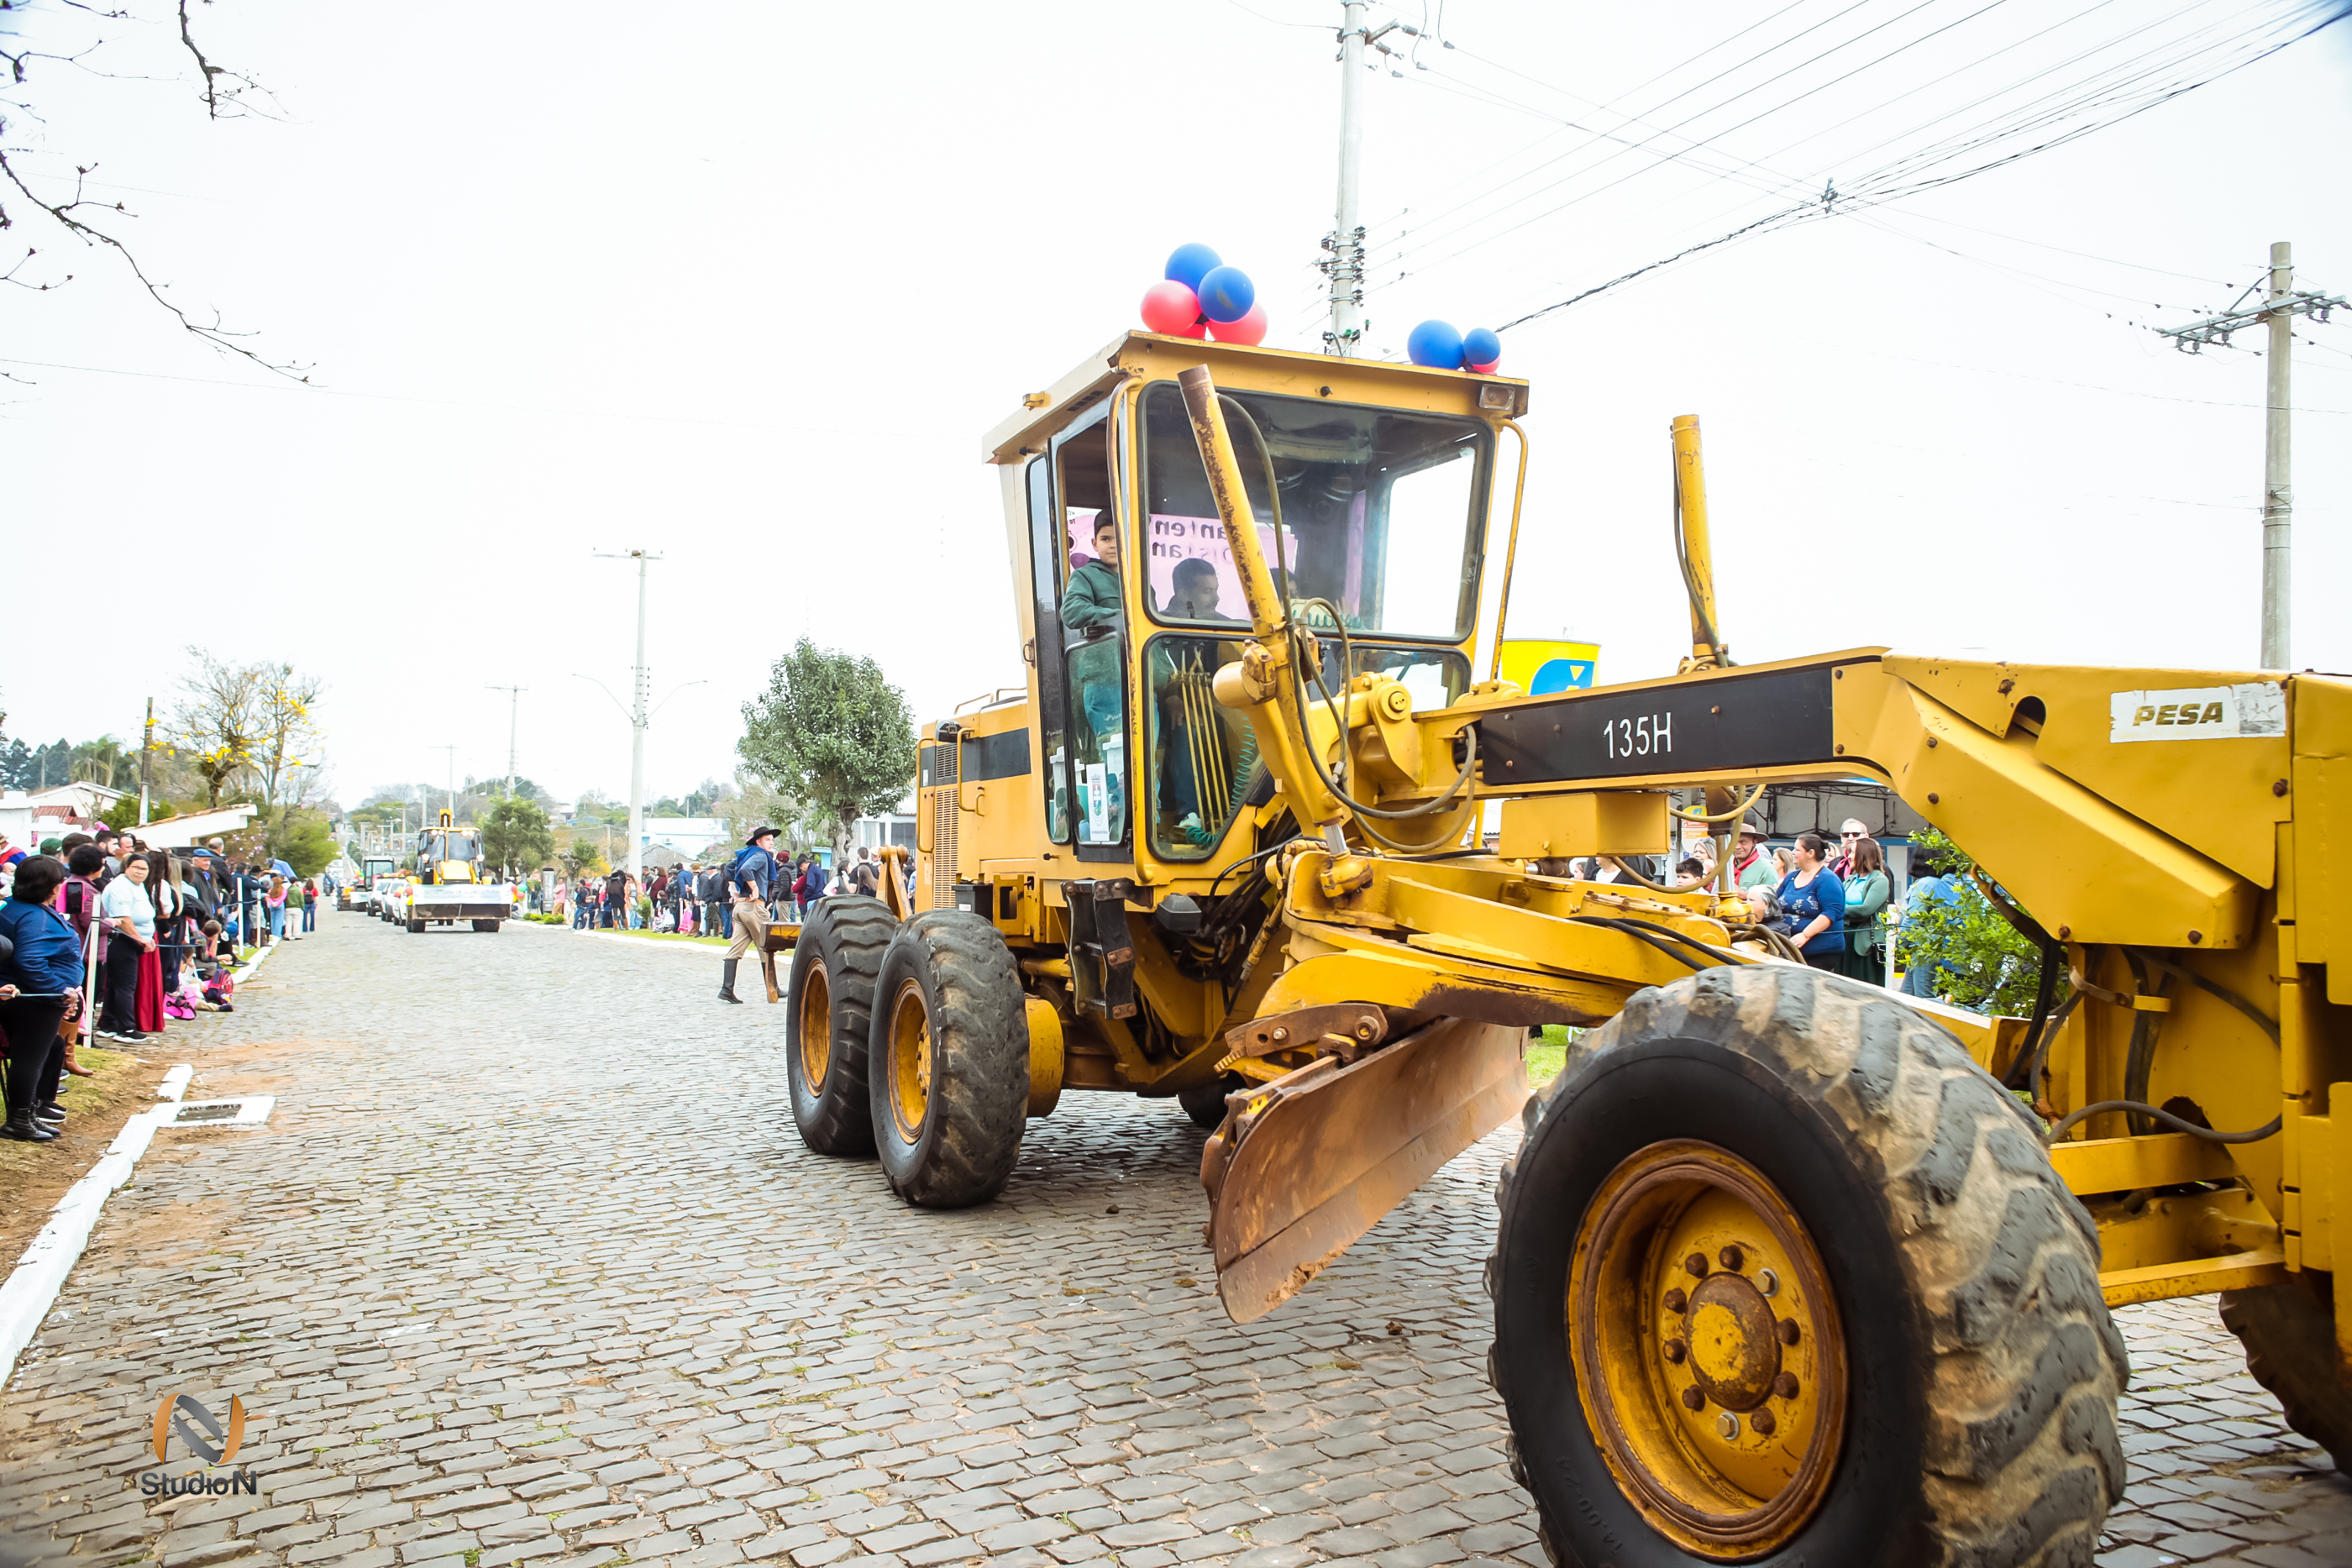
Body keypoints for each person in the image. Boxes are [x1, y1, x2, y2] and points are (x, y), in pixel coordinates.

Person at [0, 856, 84, 1143]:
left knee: (37, 1054)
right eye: (61, 881)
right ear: (52, 886)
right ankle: (18, 1120)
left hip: (28, 996)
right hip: (34, 999)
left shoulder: (15, 907)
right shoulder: (33, 917)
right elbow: (30, 962)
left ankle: (28, 1114)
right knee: (29, 1059)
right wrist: (60, 990)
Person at [98, 848, 160, 1040]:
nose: (140, 872)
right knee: (125, 986)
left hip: (134, 942)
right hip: (122, 940)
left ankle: (109, 1024)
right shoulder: (120, 886)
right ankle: (126, 1029)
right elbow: (123, 919)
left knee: (116, 985)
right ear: (126, 867)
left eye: (144, 869)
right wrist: (141, 940)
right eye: (136, 867)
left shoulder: (137, 885)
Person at [720, 826, 780, 1004]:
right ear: (758, 841)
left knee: (735, 949)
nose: (771, 842)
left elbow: (729, 868)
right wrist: (754, 888)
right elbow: (746, 870)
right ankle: (773, 988)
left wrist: (734, 890)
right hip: (754, 907)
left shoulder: (746, 853)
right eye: (768, 839)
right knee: (767, 947)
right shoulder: (761, 855)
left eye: (772, 839)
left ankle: (726, 989)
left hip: (741, 907)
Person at [1773, 831, 1848, 972]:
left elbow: (1831, 913)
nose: (1792, 852)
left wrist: (1805, 935)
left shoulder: (1827, 879)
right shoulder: (1791, 877)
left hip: (1819, 952)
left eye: (1797, 849)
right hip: (1786, 948)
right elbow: (1774, 904)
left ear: (1810, 853)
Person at [1059, 513, 1122, 632]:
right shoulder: (1084, 576)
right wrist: (1120, 617)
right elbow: (1072, 611)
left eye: (1120, 538)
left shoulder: (1142, 583)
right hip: (1108, 643)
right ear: (1095, 544)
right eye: (1106, 539)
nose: (1113, 545)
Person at [1840, 837, 1892, 983]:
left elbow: (1865, 910)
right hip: (1844, 938)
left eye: (1853, 852)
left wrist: (1839, 910)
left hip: (1864, 944)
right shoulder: (1850, 879)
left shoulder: (1880, 880)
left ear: (1865, 854)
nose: (1849, 856)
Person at [1730, 822, 1777, 891]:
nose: (1737, 847)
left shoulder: (1767, 869)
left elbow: (1772, 896)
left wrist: (1744, 895)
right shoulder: (1727, 867)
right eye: (1733, 842)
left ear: (1754, 842)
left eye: (1743, 842)